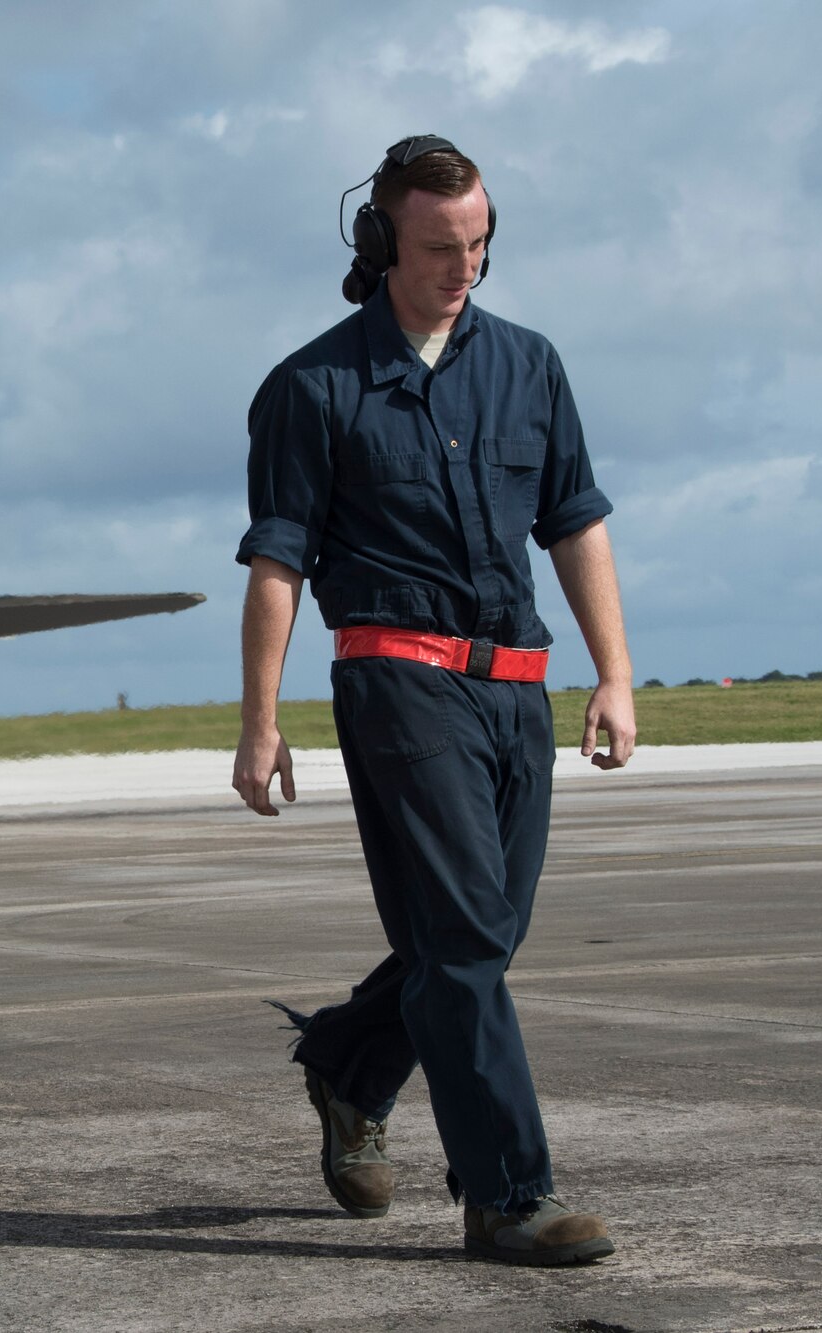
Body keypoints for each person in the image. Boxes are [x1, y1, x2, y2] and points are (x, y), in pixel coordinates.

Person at [232, 134, 635, 1267]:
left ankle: (351, 1064)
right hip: (397, 681)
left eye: (477, 243)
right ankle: (508, 1196)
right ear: (380, 243)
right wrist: (259, 722)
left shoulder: (529, 364)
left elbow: (573, 522)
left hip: (517, 689)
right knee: (458, 939)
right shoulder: (310, 387)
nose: (462, 265)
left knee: (476, 938)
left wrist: (612, 673)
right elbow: (275, 565)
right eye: (437, 245)